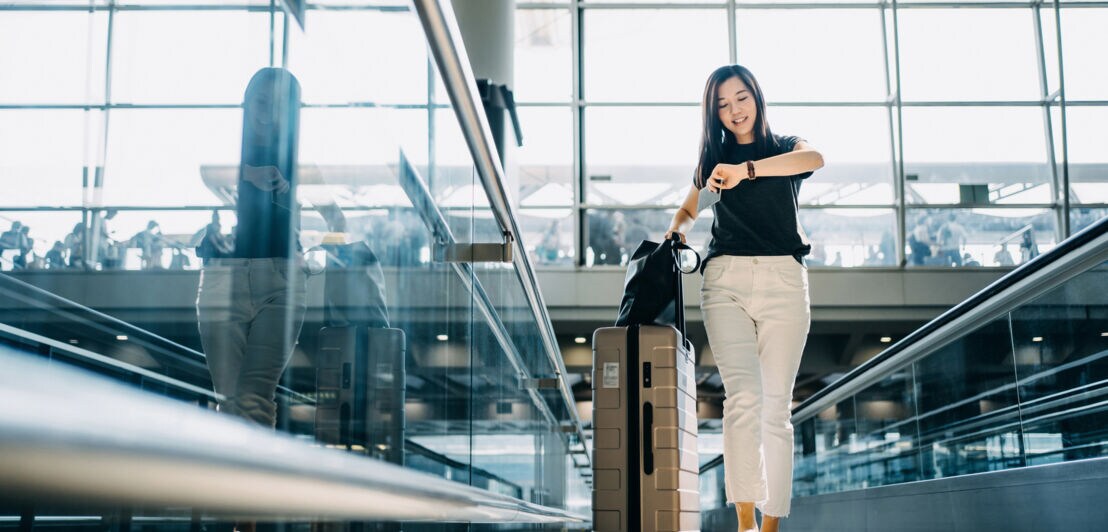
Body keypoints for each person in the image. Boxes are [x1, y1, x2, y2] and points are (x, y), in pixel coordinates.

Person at [664, 65, 823, 532]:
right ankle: (745, 522)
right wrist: (676, 232)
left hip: (783, 280)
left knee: (776, 408)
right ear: (713, 113)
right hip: (725, 280)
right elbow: (689, 208)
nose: (734, 110)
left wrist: (746, 171)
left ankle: (771, 527)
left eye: (741, 98)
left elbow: (815, 159)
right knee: (743, 400)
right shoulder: (711, 159)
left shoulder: (785, 147)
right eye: (722, 104)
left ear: (756, 97)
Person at [196, 67, 307, 430]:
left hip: (281, 278)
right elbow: (197, 172)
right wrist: (249, 173)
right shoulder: (226, 149)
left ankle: (252, 482)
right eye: (261, 101)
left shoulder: (300, 155)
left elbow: (333, 217)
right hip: (223, 276)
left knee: (255, 396)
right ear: (246, 103)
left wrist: (294, 191)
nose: (267, 111)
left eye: (278, 104)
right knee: (229, 396)